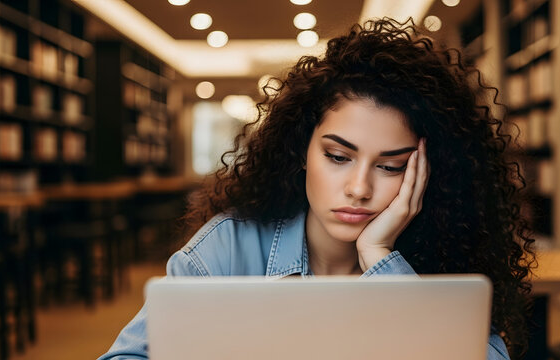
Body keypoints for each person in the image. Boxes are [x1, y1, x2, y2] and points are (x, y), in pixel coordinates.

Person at [99, 18, 535, 360]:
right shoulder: (227, 248)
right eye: (338, 157)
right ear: (301, 151)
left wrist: (381, 258)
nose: (359, 188)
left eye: (391, 166)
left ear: (425, 174)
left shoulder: (446, 257)